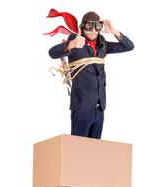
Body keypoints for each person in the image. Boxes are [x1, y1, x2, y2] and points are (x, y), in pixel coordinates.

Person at [48, 11, 134, 139]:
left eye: (97, 27)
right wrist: (71, 45)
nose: (93, 31)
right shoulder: (75, 41)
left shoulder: (102, 44)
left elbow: (129, 46)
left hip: (99, 107)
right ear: (82, 27)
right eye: (89, 27)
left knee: (94, 151)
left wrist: (115, 31)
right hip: (82, 105)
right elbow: (52, 53)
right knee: (77, 148)